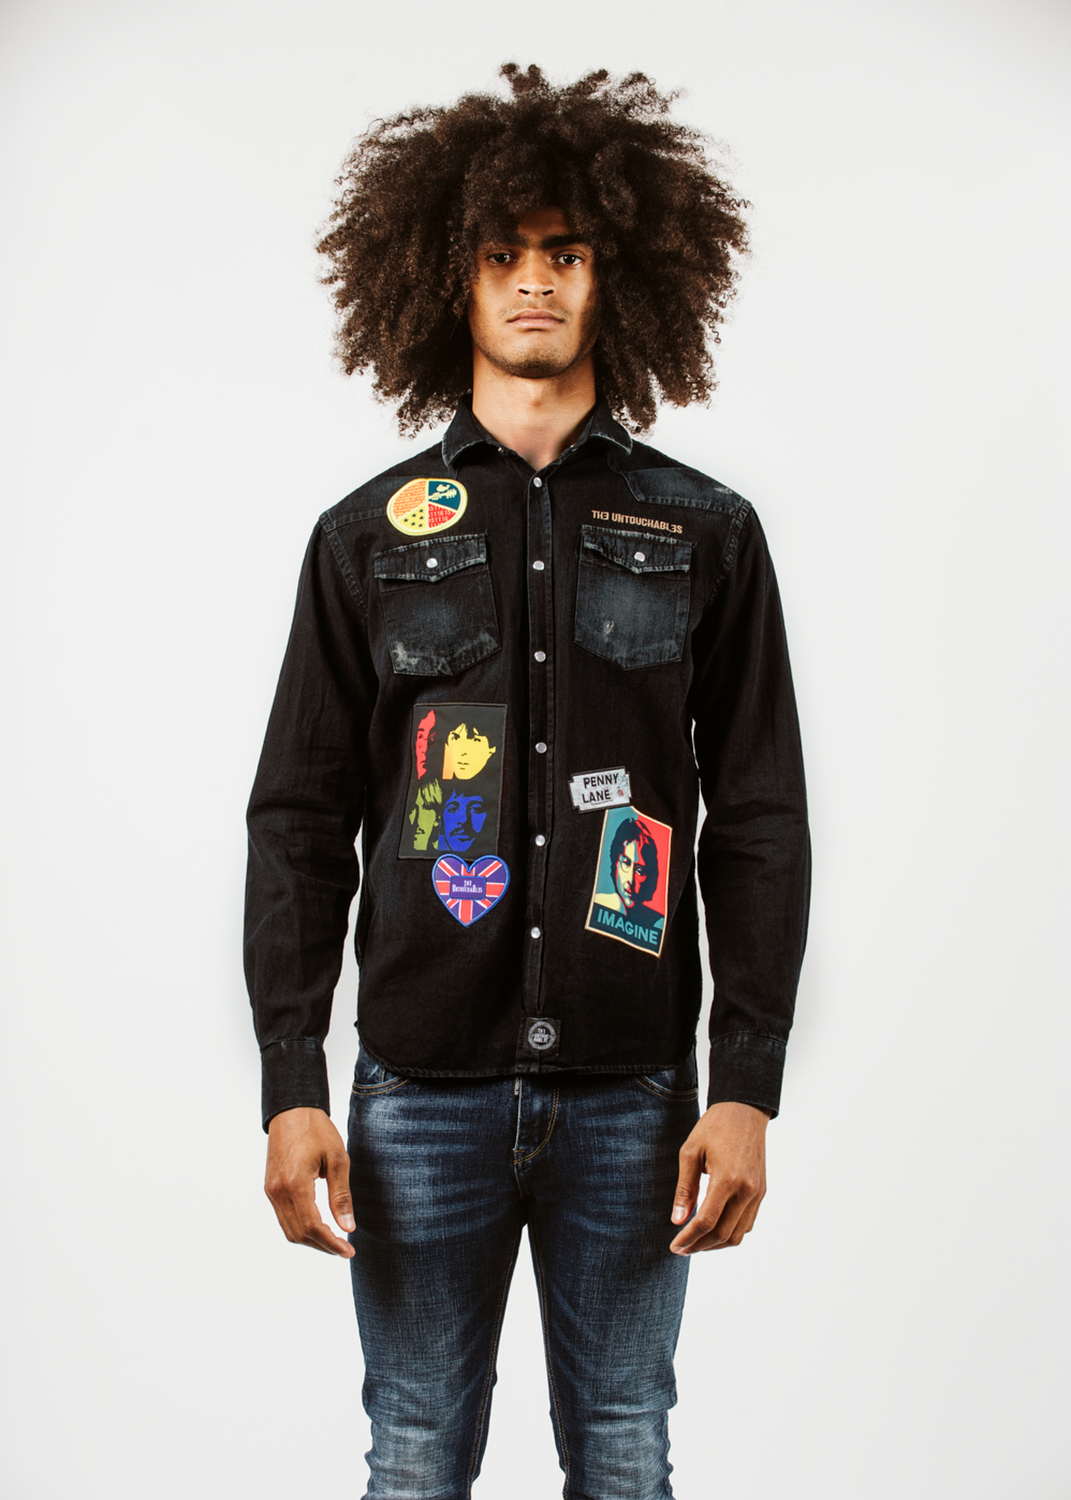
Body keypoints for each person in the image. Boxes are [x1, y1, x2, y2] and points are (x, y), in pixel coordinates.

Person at [246, 63, 810, 1500]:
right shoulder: (365, 537)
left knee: (625, 1453)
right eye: (502, 254)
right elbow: (300, 820)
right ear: (450, 277)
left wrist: (745, 1085)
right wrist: (291, 1082)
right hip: (416, 1088)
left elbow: (757, 818)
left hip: (634, 1092)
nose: (537, 282)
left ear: (622, 275)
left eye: (567, 251)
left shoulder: (708, 531)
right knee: (415, 1457)